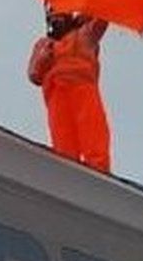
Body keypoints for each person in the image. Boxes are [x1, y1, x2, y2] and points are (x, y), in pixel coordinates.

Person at [28, 10, 111, 172]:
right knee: (62, 137)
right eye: (53, 16)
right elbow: (34, 75)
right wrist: (43, 59)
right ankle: (66, 170)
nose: (55, 19)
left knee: (92, 130)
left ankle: (99, 170)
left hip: (82, 87)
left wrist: (89, 11)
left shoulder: (84, 34)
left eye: (60, 14)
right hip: (56, 94)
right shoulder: (44, 44)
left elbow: (102, 19)